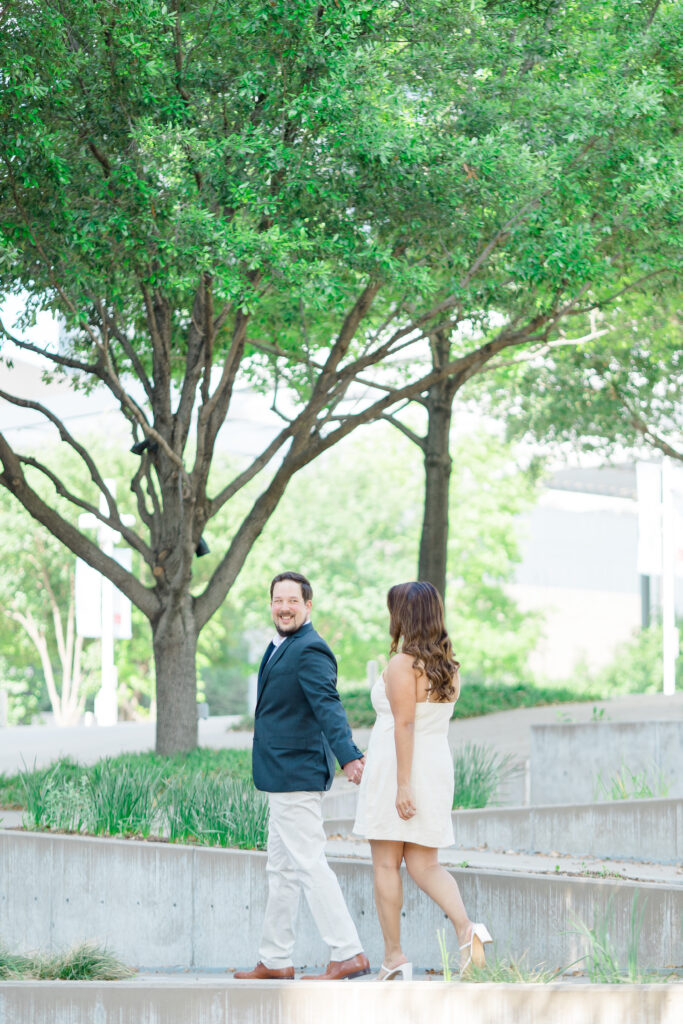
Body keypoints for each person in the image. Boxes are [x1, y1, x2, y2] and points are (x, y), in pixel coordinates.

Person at [234, 571, 370, 982]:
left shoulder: (310, 649)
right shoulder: (281, 646)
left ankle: (348, 952)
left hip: (296, 774)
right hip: (281, 774)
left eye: (293, 600)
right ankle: (276, 959)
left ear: (308, 606)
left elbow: (328, 705)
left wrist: (348, 756)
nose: (285, 607)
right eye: (278, 600)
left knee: (309, 863)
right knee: (282, 870)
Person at [353, 581, 492, 980]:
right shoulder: (449, 668)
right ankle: (467, 930)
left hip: (402, 768)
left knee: (385, 863)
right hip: (433, 766)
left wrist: (401, 785)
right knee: (425, 864)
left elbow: (405, 724)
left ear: (404, 616)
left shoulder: (401, 665)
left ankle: (394, 957)